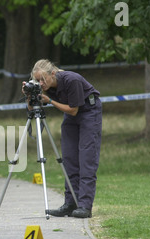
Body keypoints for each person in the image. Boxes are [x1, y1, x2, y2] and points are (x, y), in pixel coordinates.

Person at [22, 59, 102, 218]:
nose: (41, 83)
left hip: (88, 112)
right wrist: (29, 95)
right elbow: (32, 109)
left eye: (42, 79)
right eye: (37, 80)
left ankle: (85, 206)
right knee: (69, 158)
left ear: (53, 74)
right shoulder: (44, 86)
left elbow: (73, 110)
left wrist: (49, 100)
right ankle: (70, 203)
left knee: (86, 158)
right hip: (71, 117)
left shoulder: (72, 80)